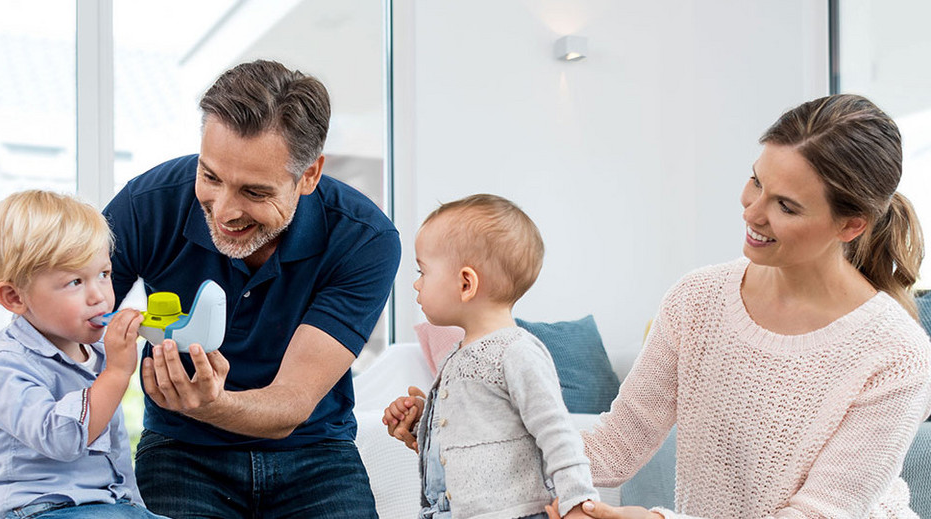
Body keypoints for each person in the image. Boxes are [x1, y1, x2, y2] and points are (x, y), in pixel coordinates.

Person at [397, 94, 931, 519]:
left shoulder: (897, 352)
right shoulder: (698, 299)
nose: (753, 211)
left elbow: (822, 514)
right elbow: (618, 441)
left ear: (851, 225)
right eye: (756, 181)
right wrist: (461, 436)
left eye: (786, 206)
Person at [0, 60, 400, 518]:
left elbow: (291, 402)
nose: (224, 212)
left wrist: (214, 405)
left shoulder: (364, 239)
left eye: (255, 193)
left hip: (314, 450)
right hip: (181, 448)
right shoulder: (150, 204)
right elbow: (54, 308)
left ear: (309, 175)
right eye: (210, 176)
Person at [379, 194, 599, 519]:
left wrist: (578, 503)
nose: (416, 283)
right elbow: (475, 427)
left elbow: (557, 431)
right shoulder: (458, 356)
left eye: (422, 271)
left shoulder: (516, 351)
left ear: (466, 283)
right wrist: (425, 421)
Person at [0, 190, 166, 519]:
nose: (99, 296)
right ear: (14, 297)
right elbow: (62, 439)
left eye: (104, 274)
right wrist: (116, 374)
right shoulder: (3, 363)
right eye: (75, 282)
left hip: (109, 505)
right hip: (37, 508)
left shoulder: (97, 350)